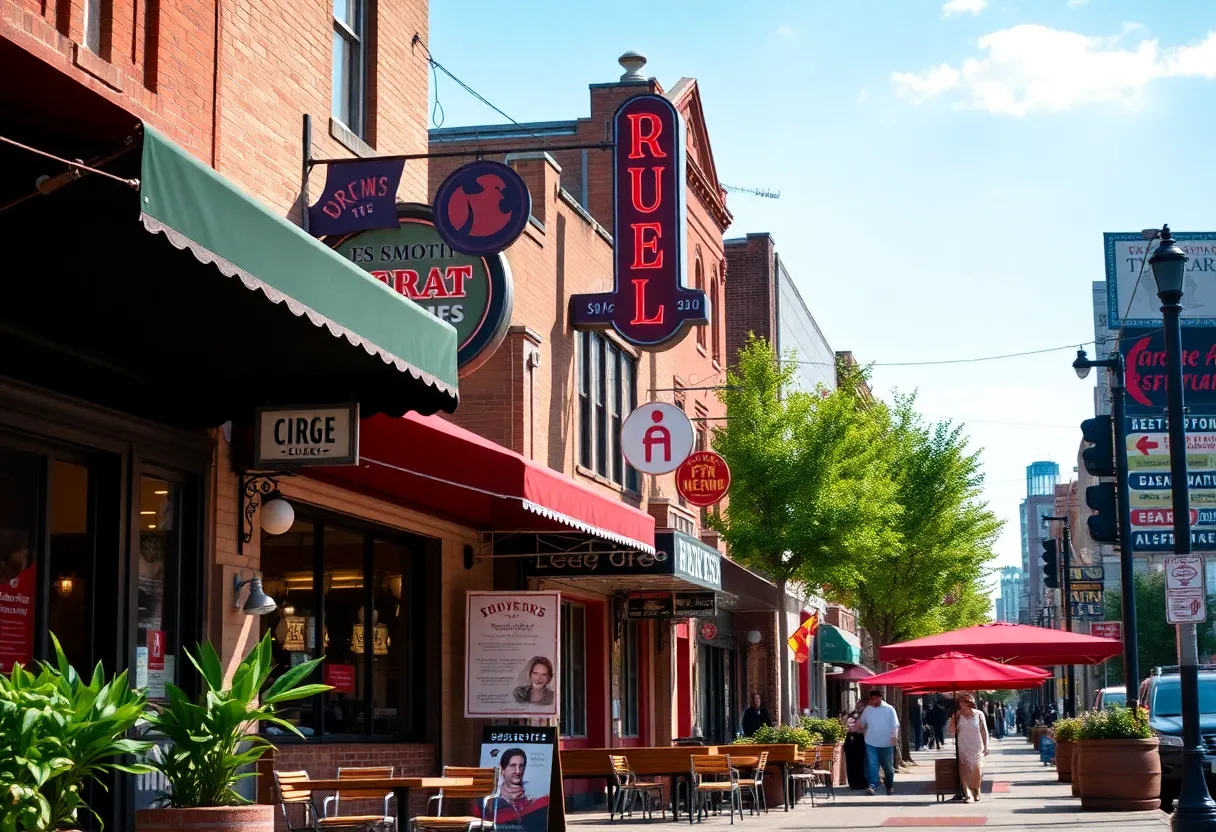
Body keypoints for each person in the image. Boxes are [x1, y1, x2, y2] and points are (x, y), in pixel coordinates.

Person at [487, 748, 549, 831]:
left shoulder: (534, 797)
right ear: (502, 769)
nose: (518, 771)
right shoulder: (490, 798)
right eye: (513, 765)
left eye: (521, 766)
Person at [858, 688, 899, 795]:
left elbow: (895, 725)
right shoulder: (868, 710)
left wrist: (894, 736)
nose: (873, 701)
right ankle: (873, 785)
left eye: (875, 699)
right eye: (871, 699)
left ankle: (889, 785)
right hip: (871, 742)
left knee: (888, 767)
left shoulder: (889, 709)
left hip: (886, 742)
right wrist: (859, 726)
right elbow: (863, 723)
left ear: (880, 698)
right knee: (872, 764)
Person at [951, 694, 990, 803]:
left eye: (968, 702)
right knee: (964, 770)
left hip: (976, 746)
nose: (965, 705)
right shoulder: (958, 715)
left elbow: (984, 731)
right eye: (964, 702)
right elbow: (952, 731)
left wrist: (986, 746)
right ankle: (968, 794)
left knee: (976, 769)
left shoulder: (979, 715)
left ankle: (976, 791)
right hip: (963, 746)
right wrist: (953, 719)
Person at [844, 709, 869, 790]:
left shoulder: (863, 718)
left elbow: (862, 727)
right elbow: (847, 727)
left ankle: (860, 782)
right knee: (851, 762)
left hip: (858, 738)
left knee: (859, 762)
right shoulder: (850, 718)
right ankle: (853, 782)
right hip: (852, 738)